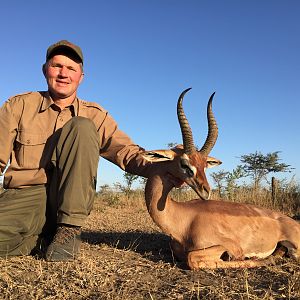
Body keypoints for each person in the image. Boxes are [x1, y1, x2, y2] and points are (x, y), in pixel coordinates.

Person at [0, 40, 160, 261]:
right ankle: (40, 240)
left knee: (82, 126)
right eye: (57, 66)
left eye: (71, 69)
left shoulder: (95, 114)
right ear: (45, 69)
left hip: (69, 200)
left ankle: (68, 232)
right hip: (26, 195)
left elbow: (127, 153)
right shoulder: (18, 105)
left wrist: (168, 165)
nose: (63, 73)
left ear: (81, 77)